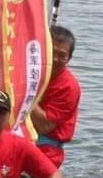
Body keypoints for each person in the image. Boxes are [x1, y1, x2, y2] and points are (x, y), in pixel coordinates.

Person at [30, 25, 80, 166]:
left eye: (62, 55)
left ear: (69, 58)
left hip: (46, 151)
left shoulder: (68, 86)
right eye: (51, 52)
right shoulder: (29, 70)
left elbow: (44, 126)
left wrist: (27, 91)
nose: (55, 59)